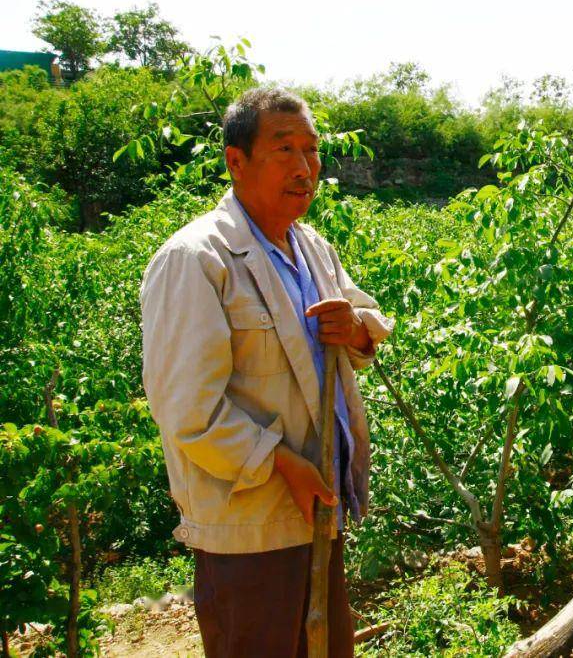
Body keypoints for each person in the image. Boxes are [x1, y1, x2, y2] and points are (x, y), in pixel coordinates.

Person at [140, 86, 394, 657]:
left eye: (312, 150)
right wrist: (284, 465)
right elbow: (187, 411)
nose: (305, 168)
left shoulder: (310, 248)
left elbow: (366, 321)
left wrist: (353, 327)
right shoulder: (196, 259)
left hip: (319, 511)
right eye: (285, 150)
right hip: (251, 524)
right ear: (237, 161)